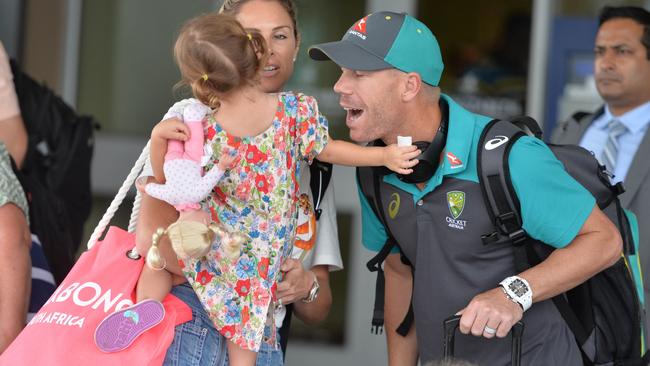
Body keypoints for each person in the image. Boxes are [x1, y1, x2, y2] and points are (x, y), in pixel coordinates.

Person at [309, 11, 622, 365]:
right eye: (341, 72)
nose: (339, 86)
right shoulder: (374, 170)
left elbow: (604, 241)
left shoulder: (509, 157)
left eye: (359, 74)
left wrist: (513, 293)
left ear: (409, 86)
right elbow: (400, 269)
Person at [129, 13, 418, 365]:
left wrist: (160, 141)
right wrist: (384, 155)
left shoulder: (202, 126)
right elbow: (330, 149)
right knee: (247, 331)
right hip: (261, 266)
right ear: (256, 59)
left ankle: (145, 311)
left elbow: (173, 182)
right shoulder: (294, 112)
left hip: (214, 258)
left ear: (199, 80)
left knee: (159, 265)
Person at [140, 1, 346, 364]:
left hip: (264, 336)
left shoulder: (307, 142)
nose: (265, 49)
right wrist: (241, 272)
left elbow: (318, 308)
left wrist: (304, 287)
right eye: (249, 37)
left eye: (280, 36)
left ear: (297, 44)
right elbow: (150, 241)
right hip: (194, 323)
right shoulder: (194, 121)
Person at [550, 6, 650, 338]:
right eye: (599, 51)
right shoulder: (568, 132)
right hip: (567, 317)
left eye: (622, 51)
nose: (605, 63)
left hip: (640, 318)